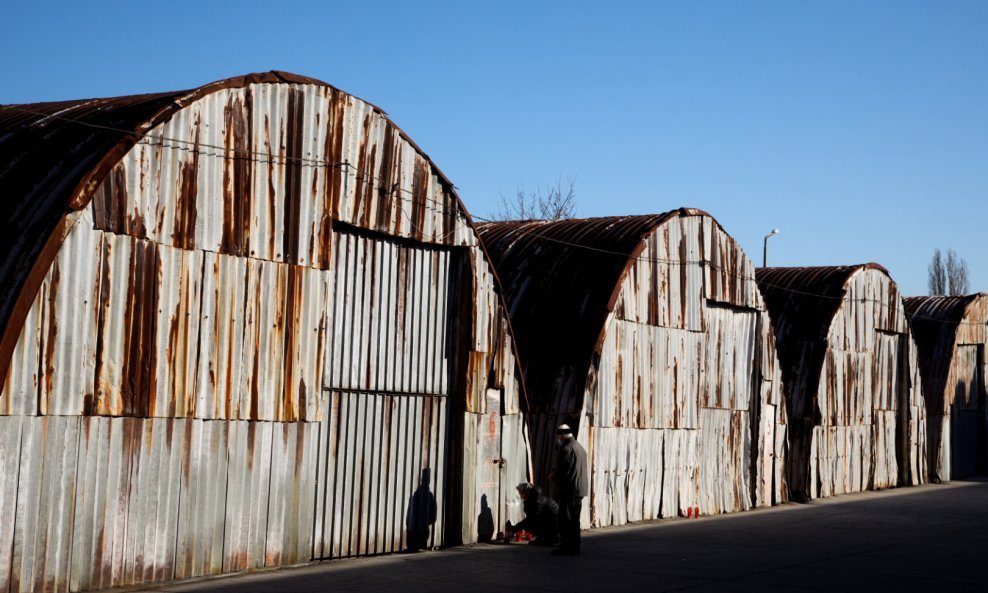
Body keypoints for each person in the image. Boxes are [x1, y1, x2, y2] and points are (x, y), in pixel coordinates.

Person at [551, 423, 588, 556]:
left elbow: (564, 470)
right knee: (574, 521)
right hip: (579, 490)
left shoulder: (566, 448)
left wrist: (554, 475)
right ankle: (575, 548)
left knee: (565, 520)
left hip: (569, 490)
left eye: (559, 436)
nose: (558, 439)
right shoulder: (580, 447)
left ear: (563, 435)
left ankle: (565, 548)